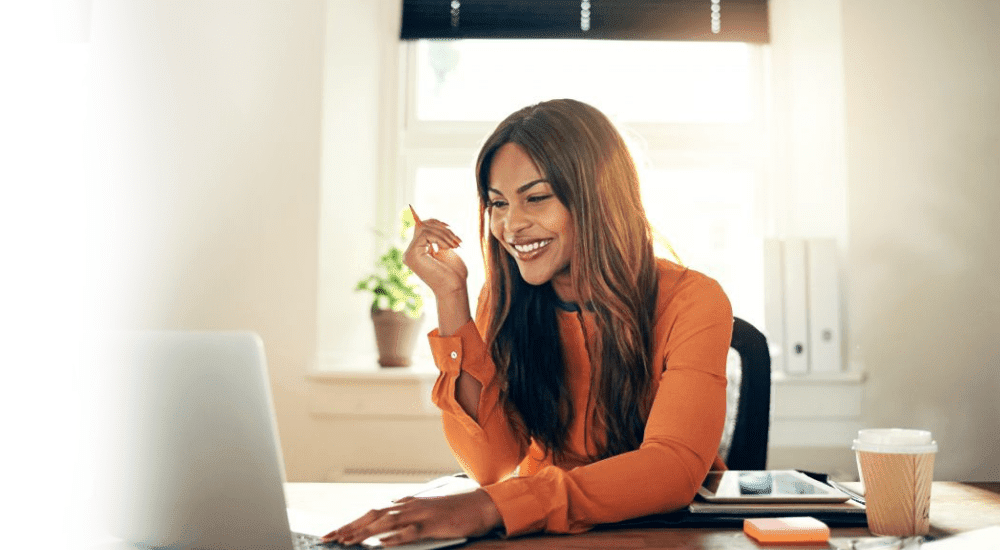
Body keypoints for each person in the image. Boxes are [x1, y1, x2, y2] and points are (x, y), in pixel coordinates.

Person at [323, 99, 733, 546]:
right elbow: (491, 465)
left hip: (661, 533)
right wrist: (451, 298)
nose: (510, 225)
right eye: (497, 203)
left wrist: (491, 507)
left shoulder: (693, 300)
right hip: (542, 534)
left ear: (599, 197)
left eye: (535, 198)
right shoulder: (502, 300)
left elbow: (671, 468)